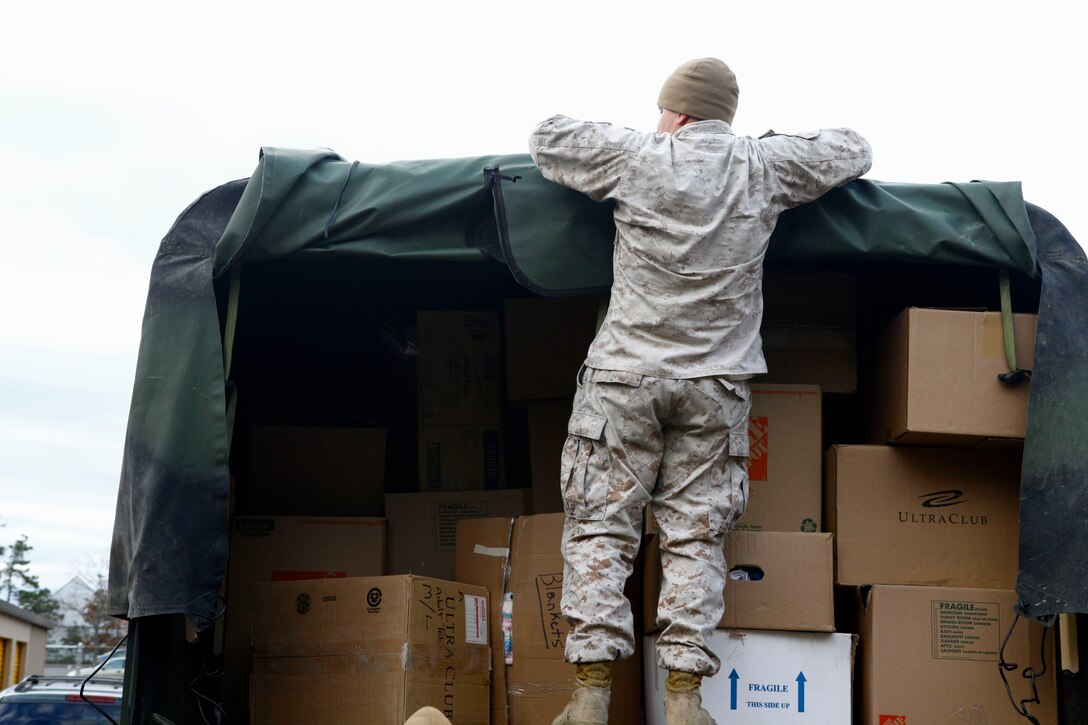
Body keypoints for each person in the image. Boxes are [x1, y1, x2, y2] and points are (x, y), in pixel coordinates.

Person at [528, 58, 872, 725]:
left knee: (602, 526)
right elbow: (854, 148)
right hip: (715, 388)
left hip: (625, 378)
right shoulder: (762, 166)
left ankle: (591, 696)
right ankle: (685, 702)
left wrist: (638, 137)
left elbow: (547, 137)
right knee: (696, 538)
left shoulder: (639, 155)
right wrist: (764, 143)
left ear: (678, 113)